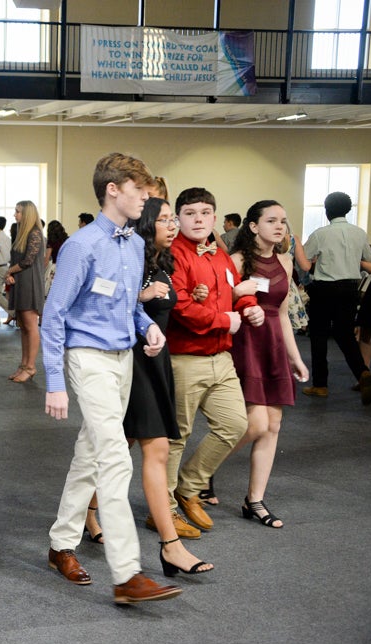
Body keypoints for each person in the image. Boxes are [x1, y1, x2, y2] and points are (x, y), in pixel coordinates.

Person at [41, 153, 181, 605]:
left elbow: (128, 304)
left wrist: (147, 326)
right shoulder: (81, 245)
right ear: (113, 190)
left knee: (91, 452)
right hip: (88, 360)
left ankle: (61, 543)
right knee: (116, 458)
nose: (148, 199)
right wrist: (54, 382)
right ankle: (127, 574)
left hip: (123, 359)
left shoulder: (135, 244)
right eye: (140, 191)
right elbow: (54, 315)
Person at [121, 198, 213, 575]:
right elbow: (104, 302)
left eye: (171, 218)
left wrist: (197, 297)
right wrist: (139, 298)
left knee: (117, 448)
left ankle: (89, 513)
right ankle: (169, 545)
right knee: (154, 449)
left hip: (158, 361)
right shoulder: (132, 259)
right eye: (163, 220)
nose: (172, 225)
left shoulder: (163, 259)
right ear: (145, 224)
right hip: (135, 362)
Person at [166, 187, 263, 534]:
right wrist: (225, 321)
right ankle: (164, 510)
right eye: (190, 213)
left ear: (214, 217)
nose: (198, 219)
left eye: (205, 213)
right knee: (177, 436)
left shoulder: (219, 254)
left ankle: (189, 487)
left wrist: (248, 307)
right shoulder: (173, 254)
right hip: (185, 358)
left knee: (236, 424)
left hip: (221, 357)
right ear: (178, 218)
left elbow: (237, 291)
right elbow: (178, 305)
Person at [228, 201, 309, 528]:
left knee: (273, 424)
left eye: (283, 222)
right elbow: (224, 301)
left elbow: (284, 315)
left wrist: (296, 357)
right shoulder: (236, 261)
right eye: (271, 221)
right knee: (255, 424)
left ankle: (255, 500)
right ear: (252, 226)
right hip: (246, 344)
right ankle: (200, 472)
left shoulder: (286, 262)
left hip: (274, 343)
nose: (280, 227)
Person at [293, 191, 371, 403]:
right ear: (348, 210)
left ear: (327, 210)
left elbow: (305, 261)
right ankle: (363, 373)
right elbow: (368, 258)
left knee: (319, 335)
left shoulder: (321, 234)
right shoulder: (359, 233)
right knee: (345, 335)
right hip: (350, 289)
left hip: (324, 289)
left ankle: (320, 385)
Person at [6, 201, 46, 382]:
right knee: (23, 326)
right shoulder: (22, 234)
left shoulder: (35, 233)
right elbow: (18, 260)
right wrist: (10, 275)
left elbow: (28, 260)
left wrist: (10, 271)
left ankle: (30, 366)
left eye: (17, 212)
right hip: (21, 282)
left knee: (30, 326)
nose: (15, 215)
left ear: (27, 214)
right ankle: (23, 365)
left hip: (29, 283)